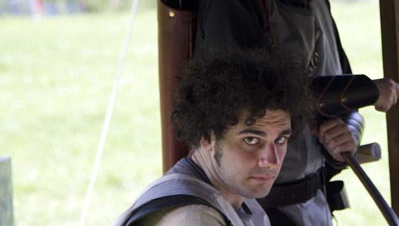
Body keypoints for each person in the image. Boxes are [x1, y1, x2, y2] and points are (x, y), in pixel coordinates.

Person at [194, 0, 399, 225]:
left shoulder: (316, 2)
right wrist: (368, 90)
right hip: (254, 212)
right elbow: (255, 102)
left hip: (314, 205)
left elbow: (344, 103)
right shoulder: (231, 1)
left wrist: (346, 136)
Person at [113, 49, 315, 226]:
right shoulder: (194, 218)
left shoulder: (233, 196)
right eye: (251, 140)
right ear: (206, 137)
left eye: (280, 140)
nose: (271, 160)